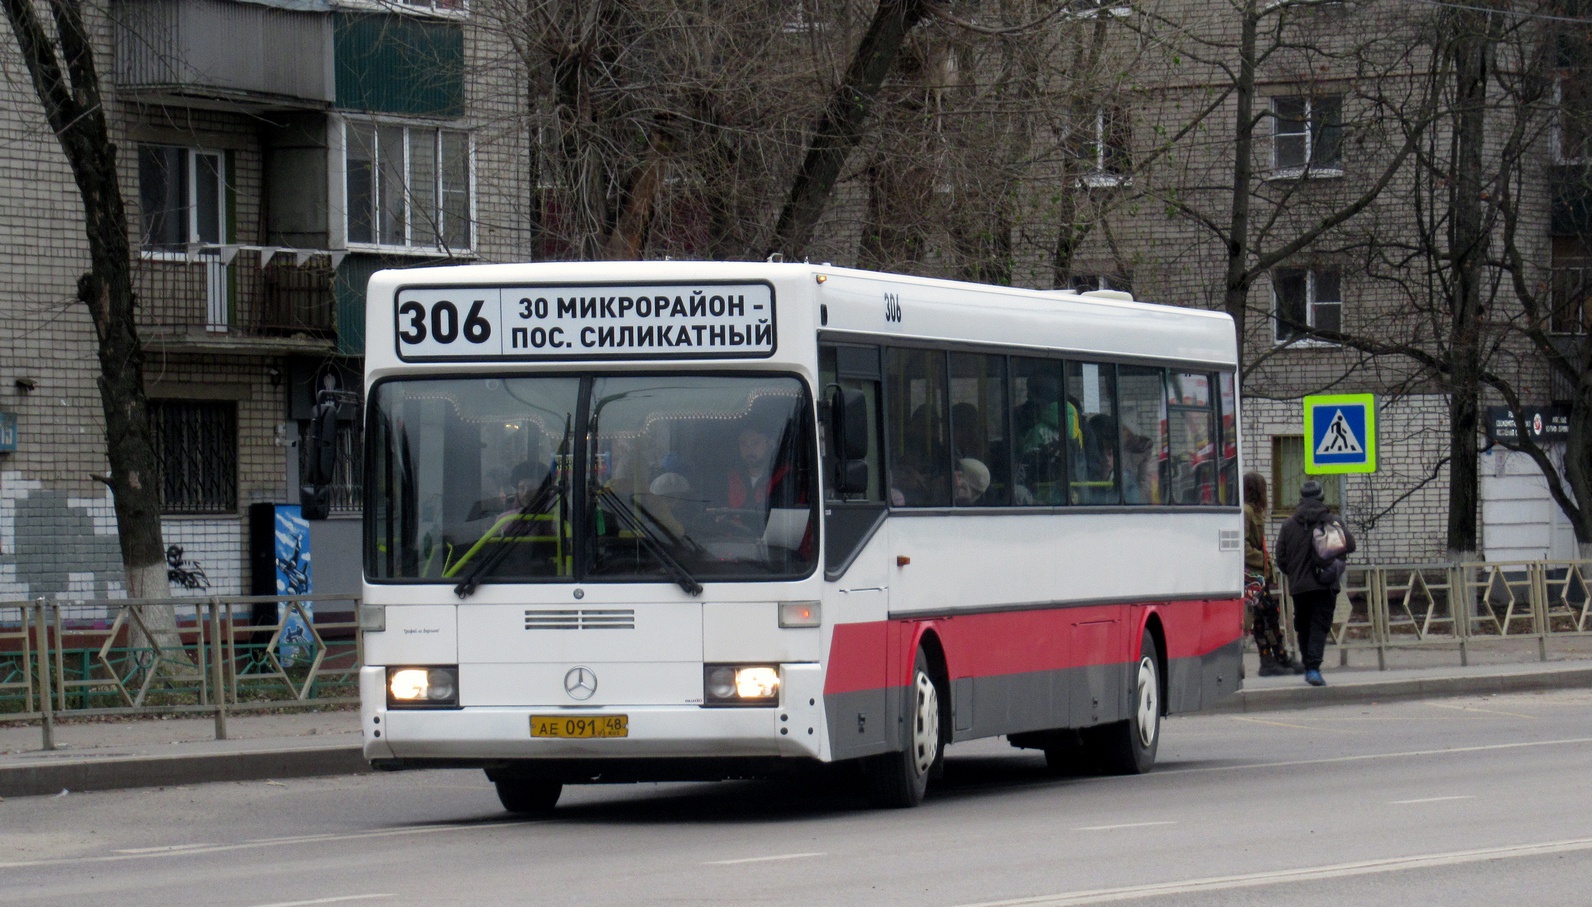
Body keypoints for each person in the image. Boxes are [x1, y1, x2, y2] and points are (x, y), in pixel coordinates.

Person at [1274, 479, 1357, 687]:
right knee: (1319, 626)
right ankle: (1313, 668)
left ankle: (1309, 664)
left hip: (1299, 586)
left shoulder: (1288, 525)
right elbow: (1351, 545)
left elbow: (1281, 559)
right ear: (1321, 498)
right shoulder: (1332, 521)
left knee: (1303, 626)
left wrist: (1294, 573)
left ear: (1301, 499)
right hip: (1326, 584)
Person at [1243, 472, 1301, 676]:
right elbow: (1244, 546)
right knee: (1264, 617)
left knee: (1266, 616)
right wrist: (1262, 561)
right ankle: (1271, 659)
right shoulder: (1247, 512)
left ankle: (1278, 658)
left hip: (1259, 575)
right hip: (1251, 576)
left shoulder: (1255, 512)